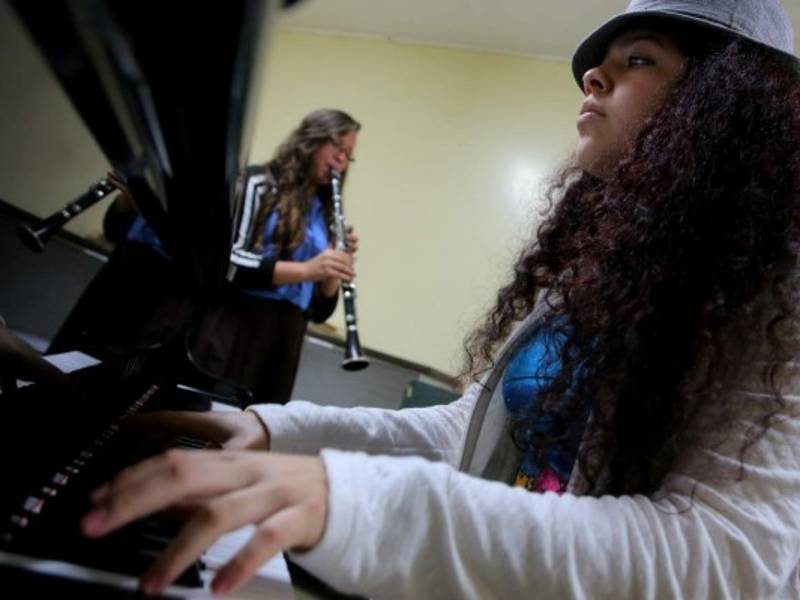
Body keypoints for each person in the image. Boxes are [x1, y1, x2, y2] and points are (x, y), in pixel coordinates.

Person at [80, 1, 800, 597]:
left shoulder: (779, 294)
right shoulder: (604, 270)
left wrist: (355, 501)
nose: (592, 73)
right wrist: (273, 431)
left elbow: (727, 559)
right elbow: (459, 434)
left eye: (639, 57)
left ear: (729, 103)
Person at [91, 109, 362, 404]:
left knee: (250, 424)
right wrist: (306, 270)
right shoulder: (258, 183)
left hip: (284, 337)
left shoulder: (326, 215)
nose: (341, 159)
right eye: (337, 146)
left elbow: (320, 310)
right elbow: (226, 263)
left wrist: (334, 270)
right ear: (312, 140)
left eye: (348, 154)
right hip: (236, 322)